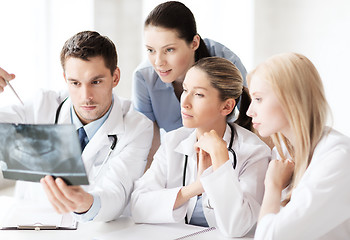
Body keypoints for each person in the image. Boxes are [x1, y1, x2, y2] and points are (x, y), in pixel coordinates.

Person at [0, 31, 153, 222]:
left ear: (115, 77)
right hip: (32, 227)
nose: (85, 96)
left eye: (96, 82)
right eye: (75, 83)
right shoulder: (42, 106)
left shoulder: (137, 126)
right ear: (65, 79)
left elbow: (118, 191)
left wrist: (85, 203)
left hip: (97, 232)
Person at [131, 57, 270, 237]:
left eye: (198, 95)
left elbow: (237, 227)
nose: (185, 102)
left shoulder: (254, 152)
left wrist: (221, 161)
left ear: (227, 106)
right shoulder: (173, 141)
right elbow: (138, 206)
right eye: (185, 90)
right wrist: (196, 187)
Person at [132, 1, 248, 169]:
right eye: (151, 50)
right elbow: (148, 146)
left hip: (226, 154)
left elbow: (250, 116)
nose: (158, 62)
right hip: (178, 161)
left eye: (169, 50)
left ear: (194, 43)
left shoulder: (226, 62)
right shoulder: (143, 77)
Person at [246, 52, 350, 239]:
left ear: (290, 98)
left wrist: (273, 186)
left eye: (258, 99)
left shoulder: (338, 157)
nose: (249, 111)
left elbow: (269, 236)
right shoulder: (283, 152)